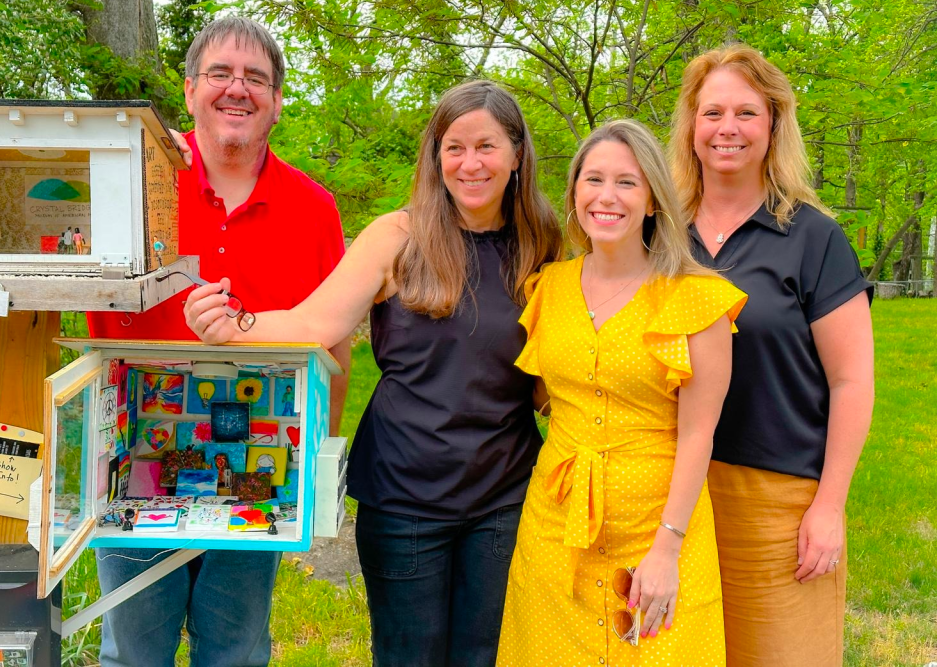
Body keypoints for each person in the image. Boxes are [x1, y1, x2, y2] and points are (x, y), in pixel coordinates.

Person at [185, 80, 562, 666]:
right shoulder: (399, 237)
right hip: (404, 495)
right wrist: (235, 326)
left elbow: (554, 371)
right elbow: (316, 321)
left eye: (486, 146)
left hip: (504, 497)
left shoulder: (544, 244)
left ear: (517, 153)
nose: (470, 163)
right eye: (453, 147)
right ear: (436, 157)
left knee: (488, 656)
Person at [86, 16, 351, 667]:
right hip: (133, 466)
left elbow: (336, 351)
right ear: (189, 89)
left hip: (258, 472)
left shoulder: (313, 209)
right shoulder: (133, 179)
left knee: (234, 652)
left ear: (277, 101)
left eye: (256, 78)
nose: (238, 89)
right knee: (134, 655)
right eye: (221, 74)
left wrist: (317, 472)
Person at [497, 120, 746, 667]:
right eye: (593, 180)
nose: (607, 197)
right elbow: (548, 397)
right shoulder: (549, 288)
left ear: (654, 199)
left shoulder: (694, 300)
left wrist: (667, 548)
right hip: (557, 527)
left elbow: (699, 432)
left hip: (656, 528)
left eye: (627, 183)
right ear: (574, 194)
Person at [668, 44, 874, 666]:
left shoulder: (813, 237)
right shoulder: (658, 234)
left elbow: (852, 381)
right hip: (671, 495)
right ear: (691, 127)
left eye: (746, 113)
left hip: (778, 500)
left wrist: (828, 506)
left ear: (774, 124)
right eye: (712, 113)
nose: (727, 129)